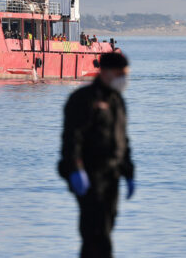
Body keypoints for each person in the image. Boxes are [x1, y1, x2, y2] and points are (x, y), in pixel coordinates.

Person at [58, 52, 135, 258]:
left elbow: (122, 140)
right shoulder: (83, 99)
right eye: (121, 74)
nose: (124, 79)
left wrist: (128, 172)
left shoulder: (117, 101)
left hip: (112, 176)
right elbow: (72, 138)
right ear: (107, 72)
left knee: (106, 226)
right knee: (96, 232)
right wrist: (75, 169)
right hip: (89, 175)